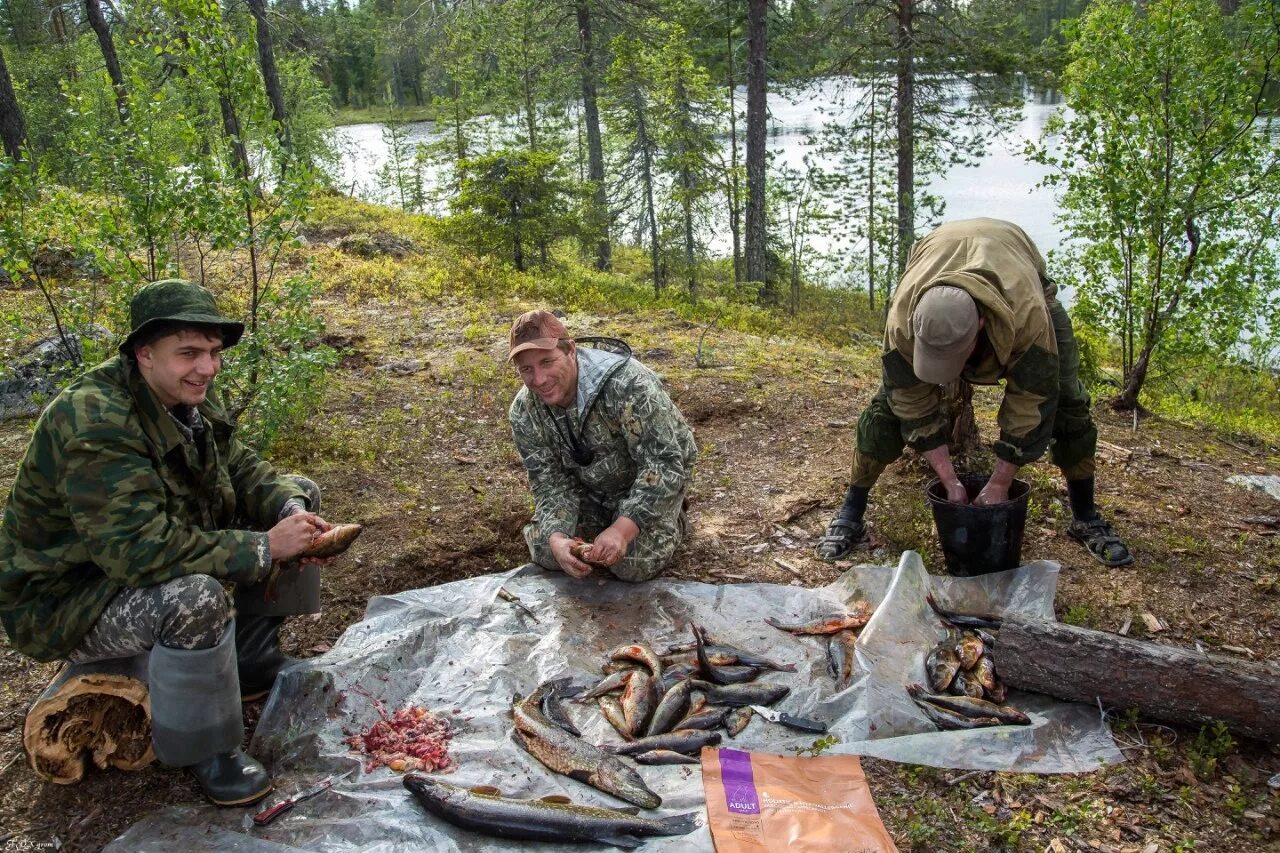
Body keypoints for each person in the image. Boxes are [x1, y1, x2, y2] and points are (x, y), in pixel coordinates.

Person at [0, 279, 333, 806]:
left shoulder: (183, 392)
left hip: (124, 562)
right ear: (144, 354)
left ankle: (251, 660)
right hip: (69, 599)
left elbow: (241, 467)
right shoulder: (95, 419)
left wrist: (290, 509)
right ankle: (208, 749)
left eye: (213, 353)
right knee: (195, 596)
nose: (207, 367)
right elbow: (135, 551)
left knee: (300, 498)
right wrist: (263, 548)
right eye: (190, 353)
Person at [815, 218, 1133, 567]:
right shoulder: (903, 320)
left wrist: (1000, 483)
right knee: (886, 410)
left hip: (1017, 269)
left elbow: (1032, 404)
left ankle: (1086, 516)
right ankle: (851, 510)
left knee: (1069, 403)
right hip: (937, 258)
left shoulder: (1029, 318)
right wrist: (949, 480)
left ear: (981, 325)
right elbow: (909, 398)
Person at [507, 310, 697, 582]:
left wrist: (623, 529)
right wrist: (557, 538)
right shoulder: (524, 411)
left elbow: (666, 464)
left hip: (648, 484)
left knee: (631, 564)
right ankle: (602, 525)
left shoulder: (628, 384)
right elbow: (549, 482)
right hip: (592, 489)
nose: (539, 379)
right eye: (526, 369)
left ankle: (673, 517)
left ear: (571, 350)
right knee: (547, 549)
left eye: (547, 361)